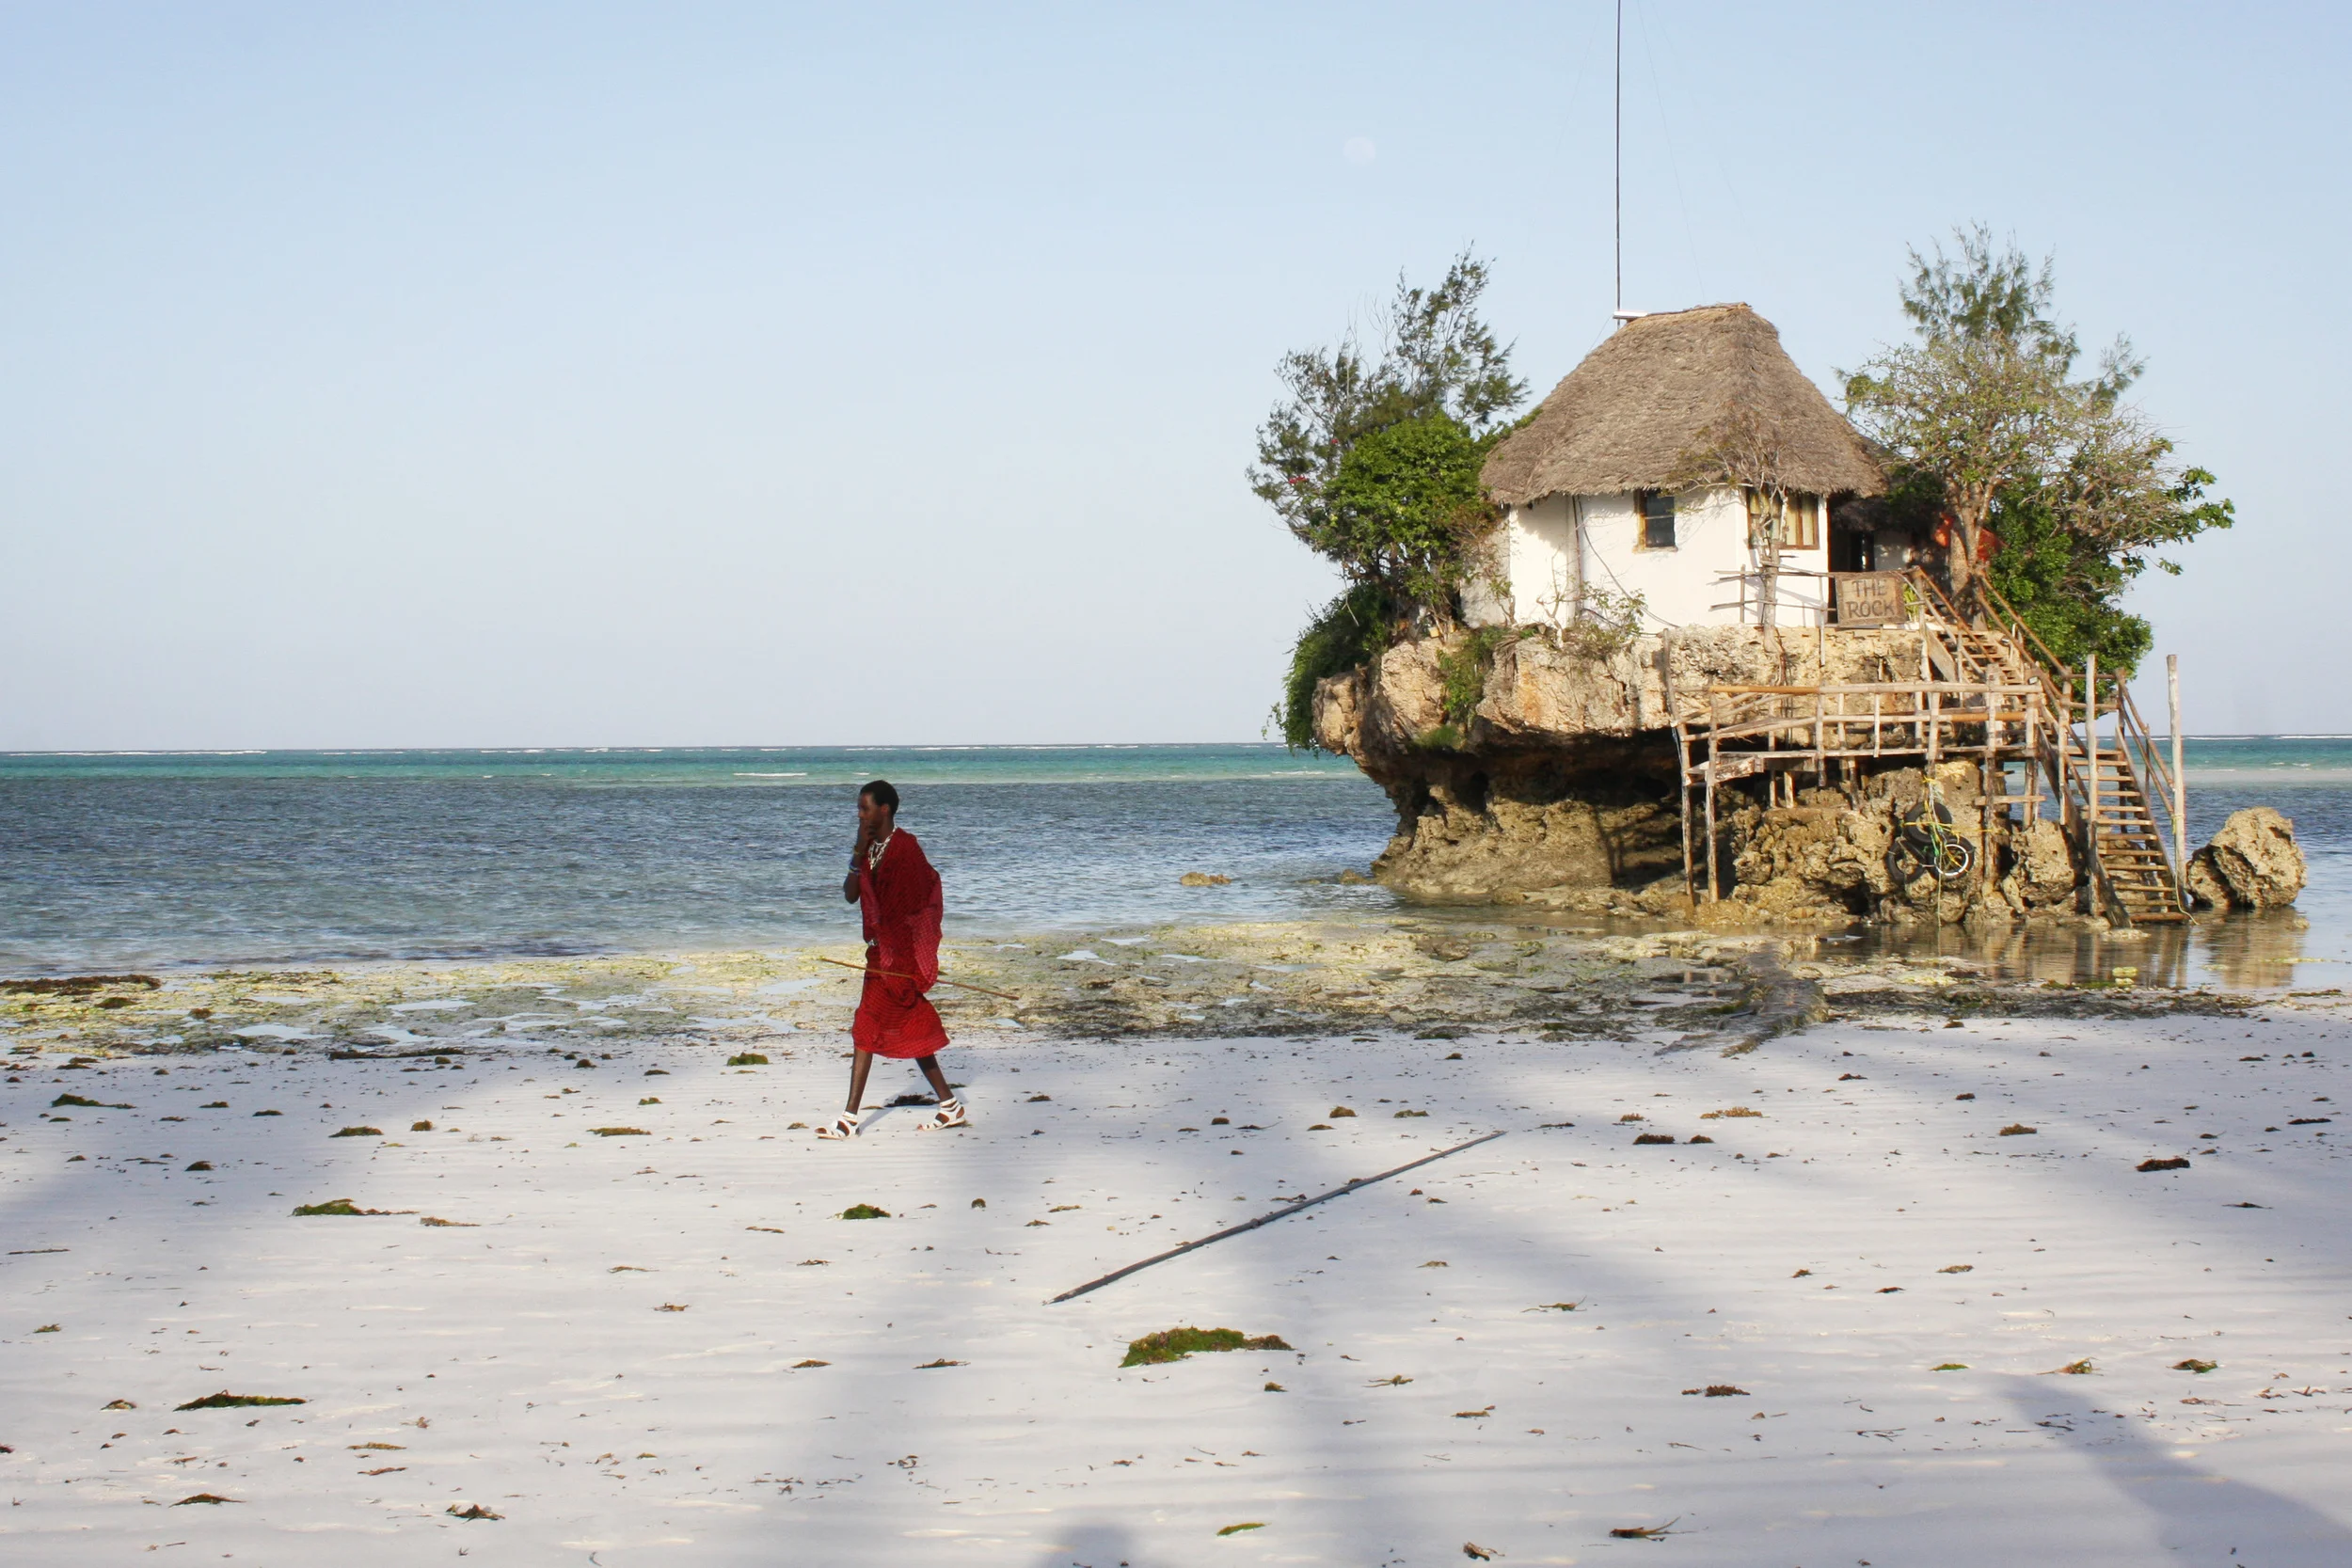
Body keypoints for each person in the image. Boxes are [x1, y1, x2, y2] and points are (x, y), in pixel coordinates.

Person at [817, 779, 965, 1139]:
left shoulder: (906, 848)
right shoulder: (869, 849)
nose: (859, 813)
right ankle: (949, 1105)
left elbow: (921, 901)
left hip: (898, 960)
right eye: (858, 808)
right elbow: (851, 896)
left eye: (865, 807)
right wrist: (856, 851)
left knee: (876, 1029)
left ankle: (850, 1120)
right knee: (879, 1028)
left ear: (884, 809)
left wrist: (908, 959)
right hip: (880, 957)